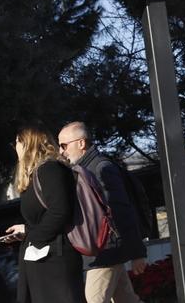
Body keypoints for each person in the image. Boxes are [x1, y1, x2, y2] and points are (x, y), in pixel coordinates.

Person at [58, 122, 148, 303]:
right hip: (106, 251)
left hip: (106, 253)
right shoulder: (85, 170)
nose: (61, 152)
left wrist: (138, 252)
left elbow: (123, 211)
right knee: (127, 299)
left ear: (81, 143)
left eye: (64, 145)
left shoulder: (100, 169)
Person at [3, 125, 85, 303]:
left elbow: (60, 211)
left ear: (28, 144)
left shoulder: (50, 169)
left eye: (17, 142)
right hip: (45, 257)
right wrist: (26, 229)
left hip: (54, 259)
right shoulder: (40, 172)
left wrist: (32, 236)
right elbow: (48, 214)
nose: (15, 146)